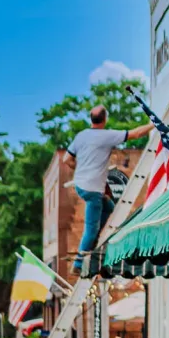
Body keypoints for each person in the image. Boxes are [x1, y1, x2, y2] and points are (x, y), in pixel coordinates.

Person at [69, 107, 131, 266]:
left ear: (91, 119)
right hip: (93, 190)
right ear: (105, 119)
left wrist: (81, 169)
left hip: (81, 185)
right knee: (90, 228)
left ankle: (96, 238)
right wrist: (154, 125)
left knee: (110, 206)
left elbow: (66, 159)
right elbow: (135, 134)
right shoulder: (106, 135)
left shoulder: (81, 136)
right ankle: (78, 263)